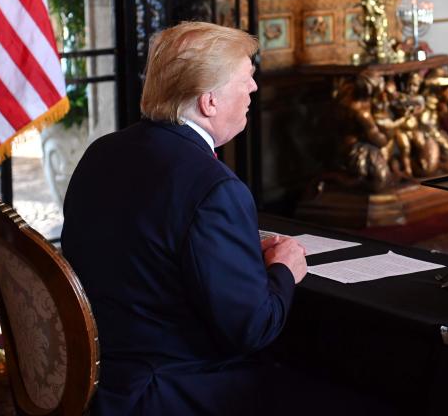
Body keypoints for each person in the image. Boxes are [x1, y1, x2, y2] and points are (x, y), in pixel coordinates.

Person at [61, 22, 309, 415]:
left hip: (96, 378)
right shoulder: (215, 188)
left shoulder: (102, 153)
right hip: (172, 391)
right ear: (209, 101)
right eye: (246, 79)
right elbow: (253, 328)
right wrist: (284, 269)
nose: (254, 90)